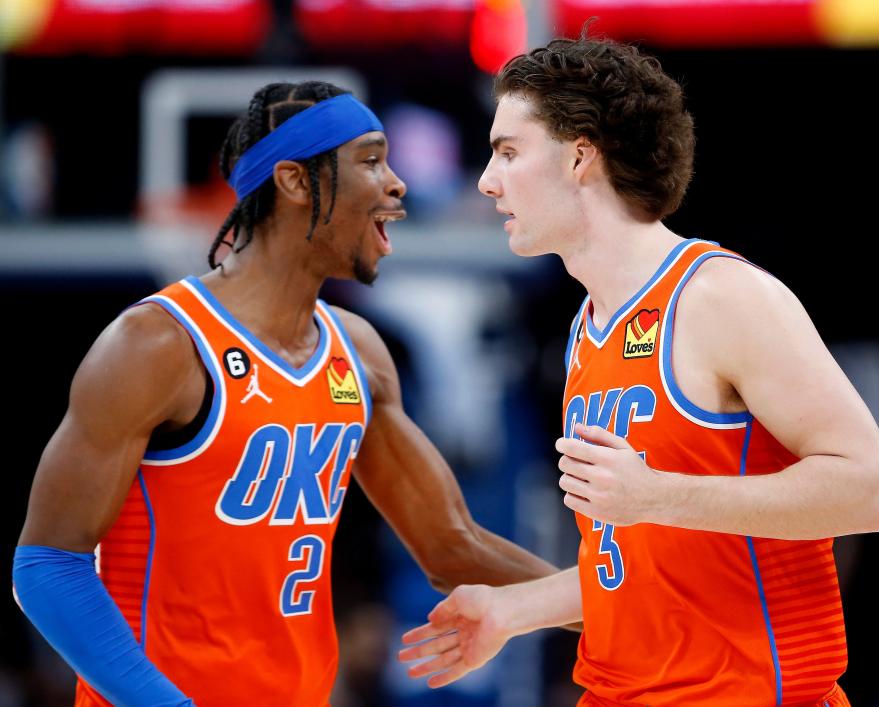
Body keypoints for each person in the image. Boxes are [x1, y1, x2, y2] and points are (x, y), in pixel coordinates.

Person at [12, 81, 557, 707]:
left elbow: (451, 545)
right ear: (296, 182)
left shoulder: (358, 353)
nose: (397, 183)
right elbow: (48, 566)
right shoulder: (159, 344)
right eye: (372, 160)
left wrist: (616, 606)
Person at [399, 37, 879, 706]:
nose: (488, 180)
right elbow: (648, 560)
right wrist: (512, 610)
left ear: (580, 155)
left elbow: (874, 490)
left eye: (509, 151)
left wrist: (660, 494)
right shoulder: (589, 326)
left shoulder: (719, 297)